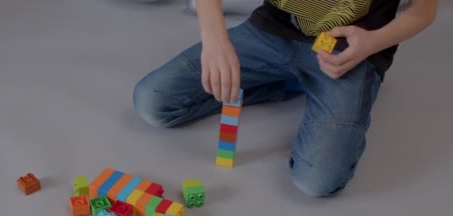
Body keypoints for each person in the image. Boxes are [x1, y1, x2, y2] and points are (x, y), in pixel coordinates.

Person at [133, 0, 438, 197]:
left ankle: (330, 87)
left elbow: (423, 10)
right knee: (153, 101)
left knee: (317, 180)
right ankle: (290, 84)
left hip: (348, 49)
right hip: (271, 30)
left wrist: (372, 42)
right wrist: (215, 40)